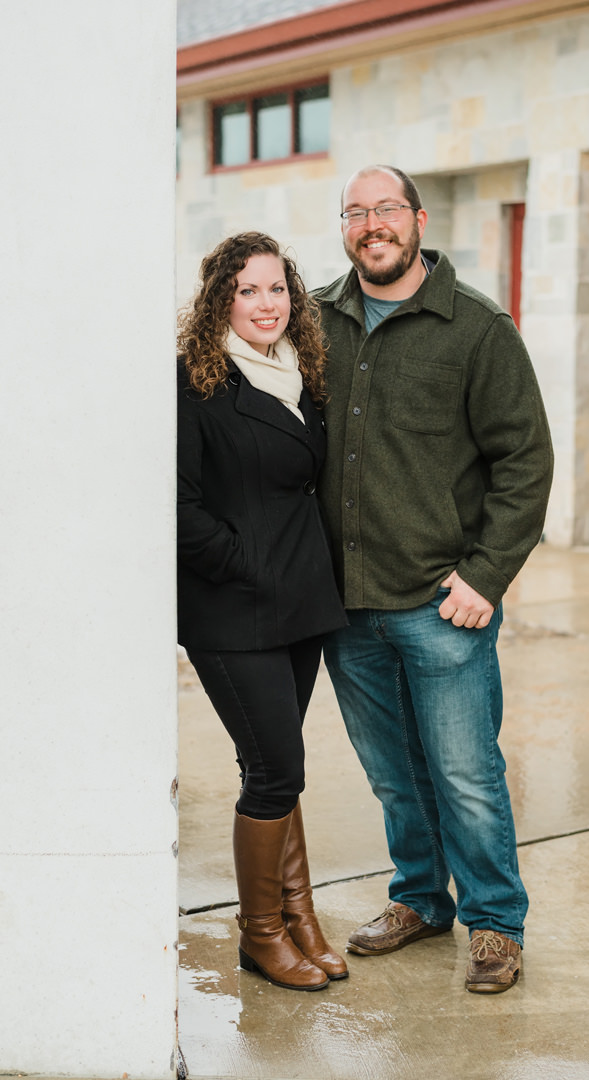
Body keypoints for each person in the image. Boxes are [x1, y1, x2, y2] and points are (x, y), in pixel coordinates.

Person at [314, 166, 554, 994]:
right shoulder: (316, 320)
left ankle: (496, 923)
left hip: (442, 605)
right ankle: (420, 898)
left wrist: (485, 576)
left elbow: (525, 460)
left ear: (418, 219)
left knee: (464, 772)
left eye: (386, 210)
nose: (371, 225)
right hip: (346, 607)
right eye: (356, 213)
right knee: (392, 774)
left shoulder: (477, 328)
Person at [176, 232, 349, 992]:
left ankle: (299, 916)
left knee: (274, 766)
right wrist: (243, 563)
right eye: (248, 290)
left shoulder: (301, 374)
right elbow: (175, 509)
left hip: (301, 603)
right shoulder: (193, 382)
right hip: (233, 611)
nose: (266, 304)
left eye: (277, 288)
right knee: (278, 767)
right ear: (222, 299)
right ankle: (261, 934)